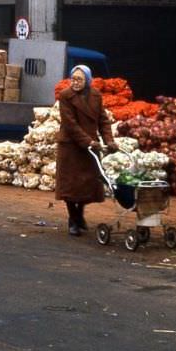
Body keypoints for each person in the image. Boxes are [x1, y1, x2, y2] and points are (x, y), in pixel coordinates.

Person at [55, 65, 118, 236]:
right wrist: (87, 141)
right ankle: (73, 219)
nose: (75, 82)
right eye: (73, 79)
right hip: (71, 145)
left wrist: (109, 141)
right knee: (69, 185)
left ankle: (80, 213)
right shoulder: (65, 96)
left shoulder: (96, 96)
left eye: (79, 79)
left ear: (87, 80)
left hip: (90, 146)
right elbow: (70, 124)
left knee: (87, 184)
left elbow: (103, 120)